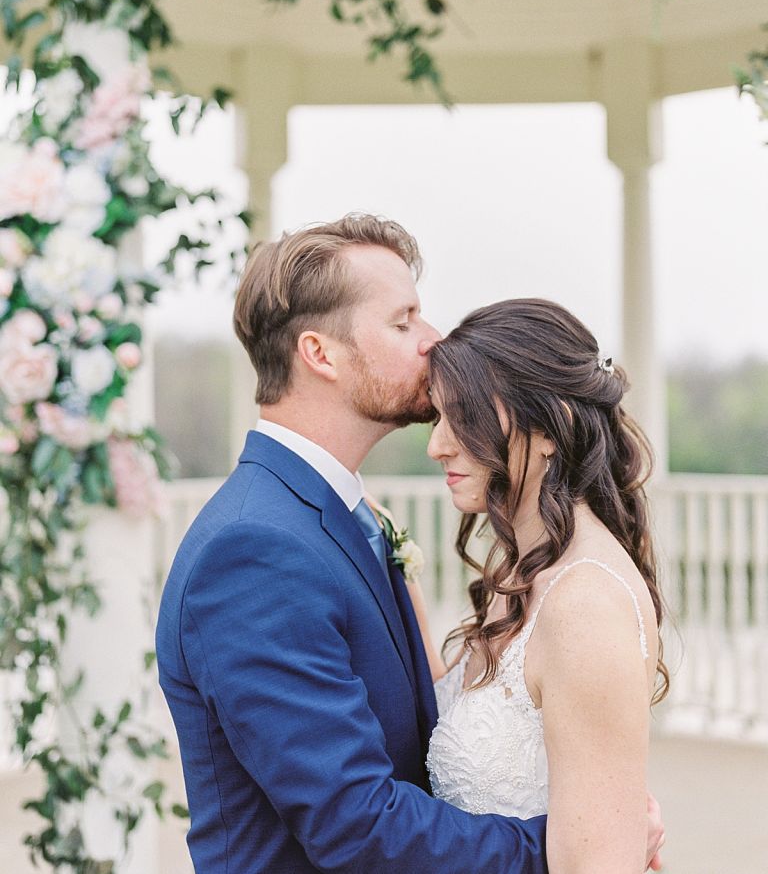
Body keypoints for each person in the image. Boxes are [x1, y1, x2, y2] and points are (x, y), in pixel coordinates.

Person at [155, 214, 663, 873]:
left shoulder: (342, 516)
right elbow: (354, 821)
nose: (432, 340)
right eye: (404, 321)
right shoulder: (255, 550)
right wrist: (576, 841)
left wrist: (599, 817)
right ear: (320, 353)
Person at [421, 298, 669, 873]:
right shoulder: (522, 570)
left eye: (464, 416)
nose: (437, 444)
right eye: (437, 416)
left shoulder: (585, 602)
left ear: (550, 426)